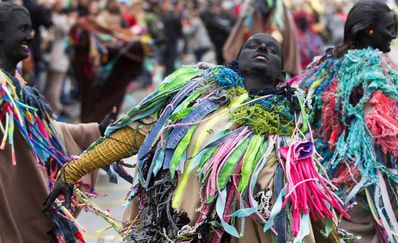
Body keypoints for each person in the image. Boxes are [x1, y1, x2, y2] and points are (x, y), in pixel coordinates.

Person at [44, 33, 347, 242]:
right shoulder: (195, 94)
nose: (263, 50)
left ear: (281, 71)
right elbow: (137, 134)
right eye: (254, 45)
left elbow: (305, 197)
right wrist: (74, 170)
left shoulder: (287, 124)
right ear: (236, 58)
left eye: (271, 50)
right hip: (173, 226)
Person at [298, 1, 398, 242]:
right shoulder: (372, 67)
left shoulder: (328, 63)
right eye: (388, 28)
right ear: (369, 30)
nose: (392, 35)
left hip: (335, 176)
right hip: (366, 180)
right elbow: (378, 126)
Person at [0, 3, 109, 242]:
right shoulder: (3, 89)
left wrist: (94, 131)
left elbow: (44, 131)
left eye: (30, 28)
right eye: (22, 29)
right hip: (10, 203)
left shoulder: (16, 82)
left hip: (29, 199)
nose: (30, 35)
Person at [223, 0, 301, 76]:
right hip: (247, 71)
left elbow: (289, 48)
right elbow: (234, 44)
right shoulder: (250, 10)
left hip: (274, 75)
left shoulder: (282, 13)